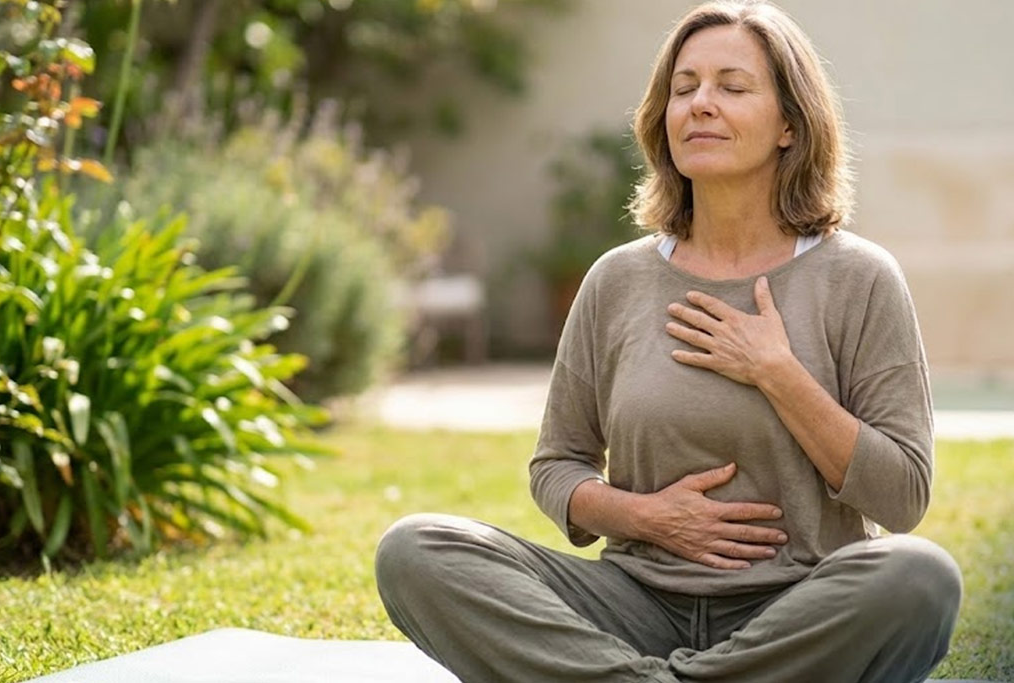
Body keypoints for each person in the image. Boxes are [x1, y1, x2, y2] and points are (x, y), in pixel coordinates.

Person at [375, 2, 963, 681]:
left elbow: (904, 497)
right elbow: (557, 466)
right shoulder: (618, 279)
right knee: (416, 549)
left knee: (919, 578)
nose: (700, 104)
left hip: (796, 609)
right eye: (684, 88)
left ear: (790, 125)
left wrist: (778, 371)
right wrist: (644, 516)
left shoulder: (858, 278)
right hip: (632, 603)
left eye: (731, 87)